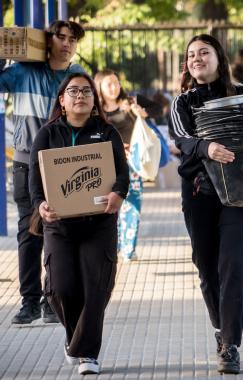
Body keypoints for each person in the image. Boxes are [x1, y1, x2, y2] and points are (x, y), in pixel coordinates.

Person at [168, 34, 243, 374]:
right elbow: (181, 138)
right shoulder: (184, 103)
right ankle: (221, 328)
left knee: (234, 264)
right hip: (200, 192)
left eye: (203, 52)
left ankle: (230, 345)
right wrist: (206, 147)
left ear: (219, 58)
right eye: (191, 54)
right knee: (207, 267)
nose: (196, 58)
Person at [29, 72, 129, 375]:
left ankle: (86, 354)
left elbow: (122, 174)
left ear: (94, 99)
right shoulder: (47, 134)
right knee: (60, 287)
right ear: (62, 100)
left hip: (98, 224)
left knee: (96, 287)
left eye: (86, 91)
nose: (80, 96)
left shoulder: (107, 133)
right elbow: (36, 178)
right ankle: (77, 340)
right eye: (73, 91)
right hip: (59, 225)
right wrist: (40, 205)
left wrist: (118, 194)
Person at [0, 20, 86, 325]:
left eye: (72, 39)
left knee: (61, 233)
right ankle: (29, 303)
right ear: (47, 40)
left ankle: (54, 300)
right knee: (29, 232)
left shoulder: (78, 78)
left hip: (64, 165)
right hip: (26, 163)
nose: (66, 43)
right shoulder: (22, 72)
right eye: (60, 37)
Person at [94, 69, 160, 261]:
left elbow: (159, 108)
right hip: (106, 164)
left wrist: (142, 112)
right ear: (99, 87)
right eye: (109, 84)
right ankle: (112, 246)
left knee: (132, 204)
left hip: (132, 163)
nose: (114, 87)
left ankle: (128, 250)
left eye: (116, 82)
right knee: (108, 206)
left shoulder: (131, 102)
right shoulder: (95, 110)